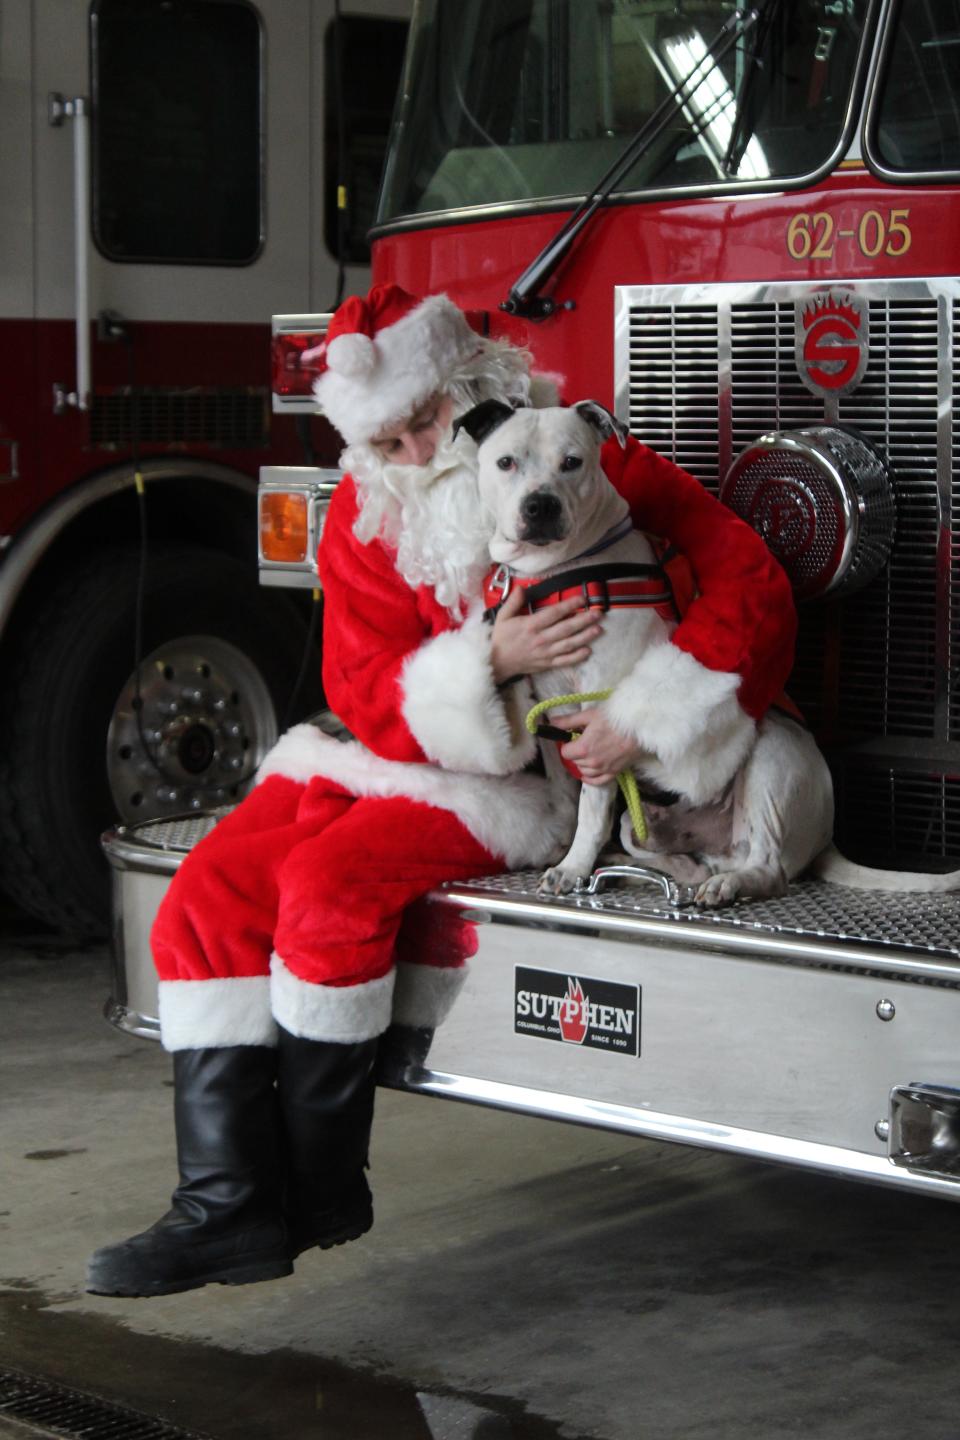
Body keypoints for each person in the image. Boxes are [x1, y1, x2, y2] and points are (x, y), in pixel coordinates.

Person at [86, 285, 796, 1298]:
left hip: (522, 782)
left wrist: (646, 714)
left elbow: (751, 579)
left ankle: (321, 1192)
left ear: (477, 389)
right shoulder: (367, 512)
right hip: (392, 750)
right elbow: (362, 690)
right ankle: (225, 1210)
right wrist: (488, 657)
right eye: (386, 439)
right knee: (208, 896)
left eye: (426, 423)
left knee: (328, 890)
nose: (414, 454)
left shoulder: (572, 450)